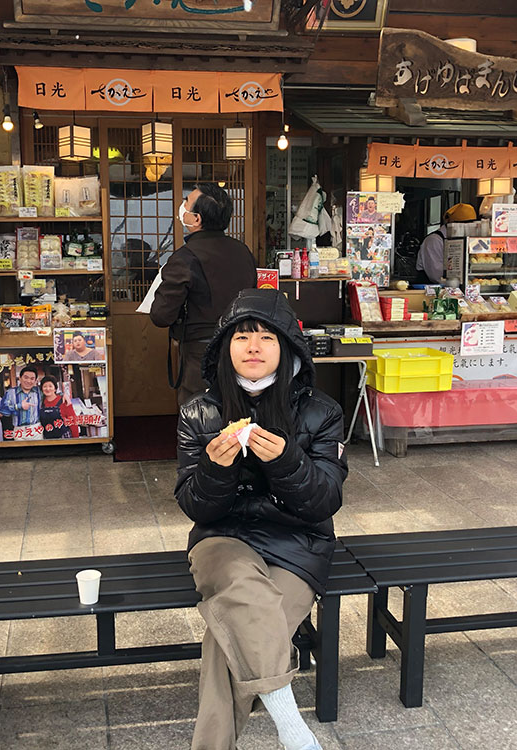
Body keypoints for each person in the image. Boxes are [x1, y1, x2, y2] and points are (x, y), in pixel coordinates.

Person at [176, 288, 347, 750]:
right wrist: (215, 469)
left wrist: (288, 462)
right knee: (242, 594)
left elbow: (324, 501)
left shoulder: (322, 412)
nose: (253, 347)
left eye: (267, 337)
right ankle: (291, 724)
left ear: (288, 346)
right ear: (224, 347)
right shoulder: (200, 413)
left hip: (298, 544)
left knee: (226, 639)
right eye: (242, 336)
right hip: (221, 538)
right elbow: (195, 506)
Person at [150, 183, 257, 405]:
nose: (182, 206)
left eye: (186, 202)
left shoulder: (185, 258)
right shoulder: (243, 252)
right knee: (238, 411)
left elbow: (161, 316)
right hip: (243, 346)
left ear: (196, 219)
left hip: (202, 352)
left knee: (199, 417)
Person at [415, 202, 477, 284]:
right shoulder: (434, 240)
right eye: (465, 226)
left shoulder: (467, 240)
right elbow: (436, 275)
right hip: (433, 291)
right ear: (453, 224)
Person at [0, 366, 41, 432]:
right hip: (19, 430)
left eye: (32, 378)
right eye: (26, 377)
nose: (28, 381)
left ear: (35, 381)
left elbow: (53, 394)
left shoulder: (38, 392)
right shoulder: (11, 392)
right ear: (20, 378)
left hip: (36, 430)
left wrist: (63, 395)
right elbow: (3, 411)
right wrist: (18, 406)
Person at [38, 375, 80, 439]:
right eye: (45, 386)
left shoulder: (64, 401)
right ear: (42, 389)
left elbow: (73, 421)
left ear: (55, 388)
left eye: (50, 386)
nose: (48, 389)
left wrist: (76, 439)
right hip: (47, 438)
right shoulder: (41, 403)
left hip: (64, 437)